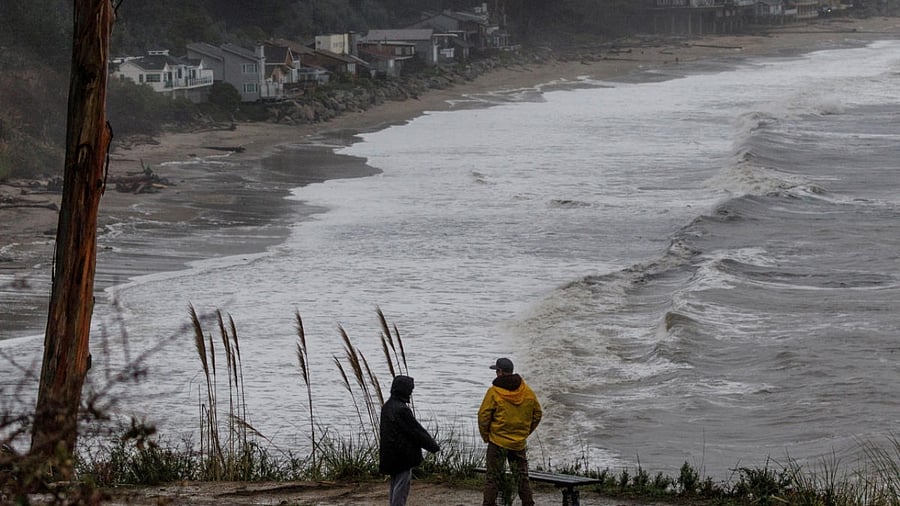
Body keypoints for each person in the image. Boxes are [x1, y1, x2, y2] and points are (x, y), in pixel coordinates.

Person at [478, 357, 543, 506]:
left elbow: (483, 416)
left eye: (496, 371)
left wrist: (486, 435)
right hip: (518, 444)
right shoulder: (526, 391)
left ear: (500, 372)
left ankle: (489, 504)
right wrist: (525, 432)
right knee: (522, 477)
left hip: (497, 441)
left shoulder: (494, 392)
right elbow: (537, 414)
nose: (496, 373)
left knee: (492, 478)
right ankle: (528, 503)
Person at [379, 375, 441, 506]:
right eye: (410, 389)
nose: (411, 392)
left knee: (394, 486)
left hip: (389, 456)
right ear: (404, 390)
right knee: (401, 490)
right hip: (402, 457)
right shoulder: (402, 410)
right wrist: (433, 446)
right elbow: (416, 432)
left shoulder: (387, 407)